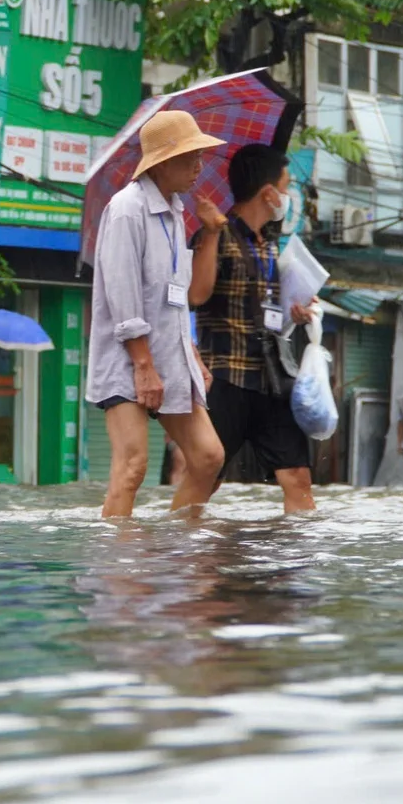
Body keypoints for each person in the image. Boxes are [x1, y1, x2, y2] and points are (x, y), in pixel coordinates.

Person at [87, 110, 228, 519]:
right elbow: (123, 295)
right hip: (128, 360)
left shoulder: (175, 211)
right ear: (163, 161)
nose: (199, 167)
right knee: (132, 468)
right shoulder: (127, 209)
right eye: (190, 158)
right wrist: (143, 366)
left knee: (207, 457)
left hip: (169, 356)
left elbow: (184, 297)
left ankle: (176, 554)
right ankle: (120, 572)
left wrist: (193, 356)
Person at [189, 142, 318, 515]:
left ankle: (295, 567)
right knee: (205, 479)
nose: (287, 195)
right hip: (226, 381)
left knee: (297, 476)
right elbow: (197, 295)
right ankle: (180, 556)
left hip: (270, 380)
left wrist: (294, 312)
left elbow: (270, 311)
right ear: (267, 192)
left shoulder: (272, 245)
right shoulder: (216, 235)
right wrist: (210, 233)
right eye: (286, 186)